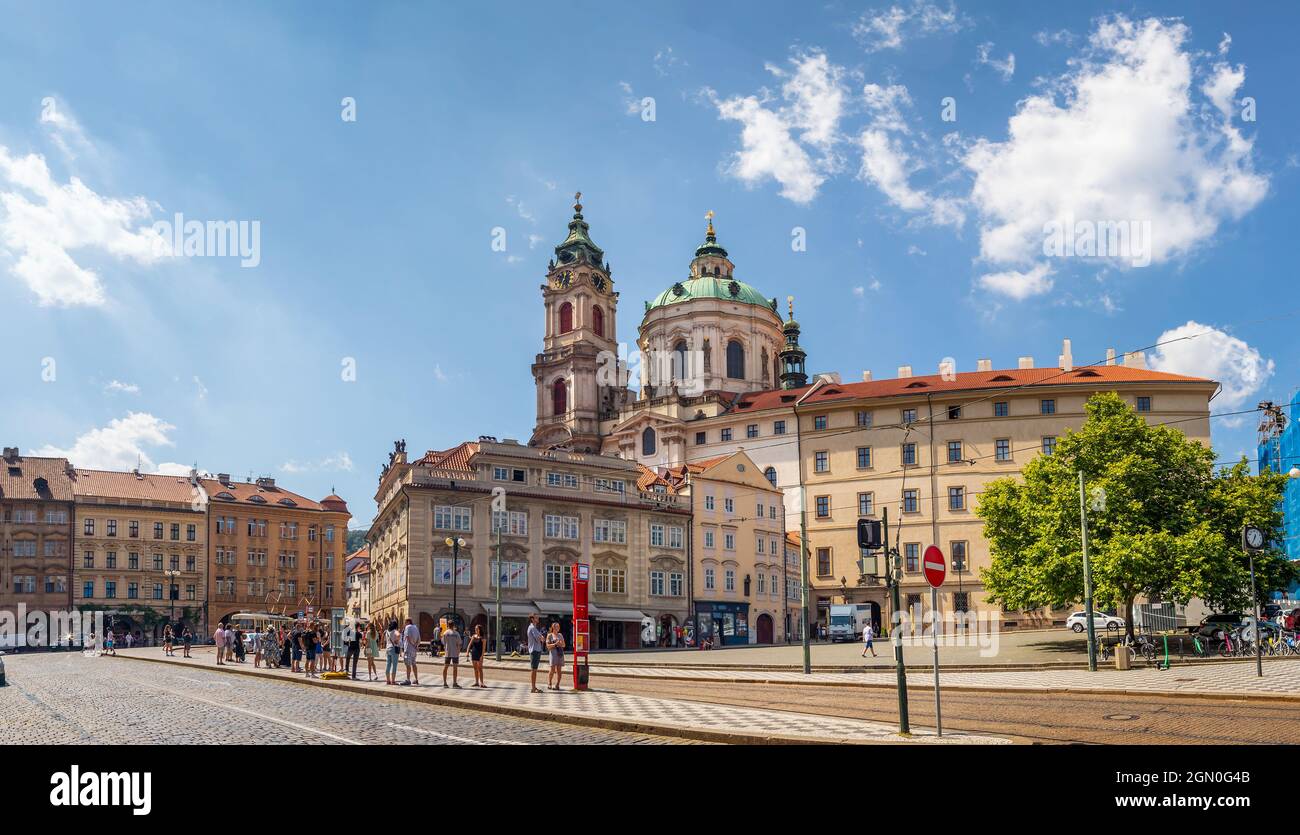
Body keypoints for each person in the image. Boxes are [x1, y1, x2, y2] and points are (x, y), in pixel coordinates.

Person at [526, 614, 545, 694]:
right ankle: (533, 688)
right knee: (534, 670)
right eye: (536, 617)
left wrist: (541, 638)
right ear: (532, 619)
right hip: (534, 650)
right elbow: (539, 639)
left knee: (535, 669)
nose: (538, 618)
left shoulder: (534, 628)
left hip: (536, 650)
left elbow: (541, 638)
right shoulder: (532, 628)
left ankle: (534, 687)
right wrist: (541, 638)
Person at [546, 621, 566, 691]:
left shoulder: (560, 635)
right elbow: (548, 646)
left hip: (560, 654)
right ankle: (549, 683)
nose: (557, 628)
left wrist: (560, 644)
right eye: (556, 626)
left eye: (558, 626)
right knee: (552, 669)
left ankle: (557, 684)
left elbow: (564, 645)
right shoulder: (549, 635)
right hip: (553, 654)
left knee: (559, 670)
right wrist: (555, 644)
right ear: (553, 627)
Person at [441, 623, 462, 688]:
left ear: (448, 625)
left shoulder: (445, 633)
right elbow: (459, 644)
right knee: (455, 668)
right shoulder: (456, 633)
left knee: (445, 667)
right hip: (455, 652)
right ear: (453, 626)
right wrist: (458, 652)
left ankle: (445, 683)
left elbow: (443, 643)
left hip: (448, 652)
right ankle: (454, 683)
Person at [401, 618, 421, 685]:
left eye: (405, 622)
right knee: (414, 664)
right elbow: (419, 638)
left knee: (408, 665)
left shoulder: (408, 627)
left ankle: (408, 680)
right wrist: (416, 645)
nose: (404, 623)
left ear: (408, 622)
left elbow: (407, 637)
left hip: (408, 648)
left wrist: (412, 644)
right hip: (414, 650)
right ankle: (416, 679)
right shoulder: (416, 627)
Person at [385, 620, 401, 685]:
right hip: (394, 649)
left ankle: (388, 680)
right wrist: (397, 640)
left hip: (387, 648)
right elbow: (399, 635)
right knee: (394, 665)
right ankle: (393, 681)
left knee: (388, 664)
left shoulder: (387, 631)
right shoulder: (395, 631)